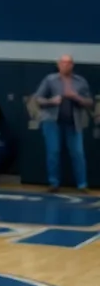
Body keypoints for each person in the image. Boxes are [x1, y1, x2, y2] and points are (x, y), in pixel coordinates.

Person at [34, 54, 92, 191]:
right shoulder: (50, 80)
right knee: (53, 152)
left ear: (73, 65)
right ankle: (54, 183)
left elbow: (90, 102)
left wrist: (76, 97)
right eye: (63, 62)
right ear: (58, 64)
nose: (66, 65)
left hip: (74, 122)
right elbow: (37, 98)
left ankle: (82, 185)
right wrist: (51, 101)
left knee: (78, 153)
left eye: (69, 62)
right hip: (52, 122)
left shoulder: (80, 81)